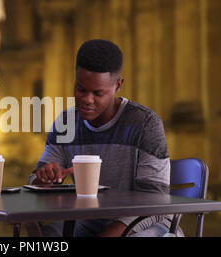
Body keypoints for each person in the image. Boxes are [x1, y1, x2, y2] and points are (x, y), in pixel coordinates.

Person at [27, 39, 183, 237]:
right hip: (88, 221)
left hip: (146, 225)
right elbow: (33, 183)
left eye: (97, 93)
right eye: (81, 89)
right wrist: (44, 179)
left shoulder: (144, 124)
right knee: (49, 236)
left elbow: (154, 204)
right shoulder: (66, 123)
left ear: (118, 85)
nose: (86, 100)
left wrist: (108, 235)